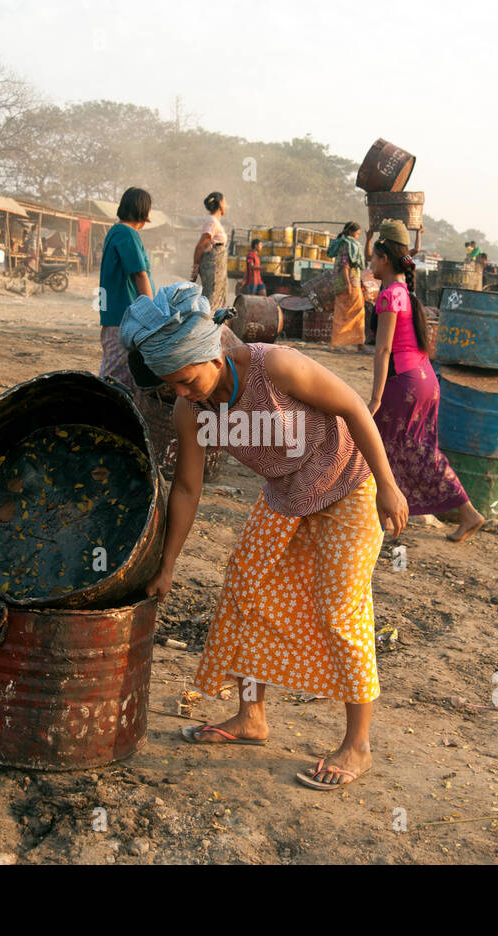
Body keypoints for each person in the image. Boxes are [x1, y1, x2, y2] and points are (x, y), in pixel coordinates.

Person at [123, 284, 409, 791]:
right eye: (174, 388)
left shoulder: (274, 367)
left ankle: (358, 745)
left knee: (341, 611)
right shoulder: (192, 412)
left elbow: (353, 408)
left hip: (347, 484)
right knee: (244, 590)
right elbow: (188, 488)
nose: (185, 394)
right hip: (286, 495)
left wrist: (387, 485)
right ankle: (250, 717)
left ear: (212, 354)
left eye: (188, 381)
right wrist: (166, 565)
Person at [367, 220, 485, 542]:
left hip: (404, 384)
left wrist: (375, 398)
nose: (371, 263)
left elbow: (383, 350)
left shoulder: (390, 295)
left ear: (386, 259)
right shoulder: (407, 292)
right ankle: (461, 513)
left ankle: (388, 519)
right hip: (426, 380)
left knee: (384, 446)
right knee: (413, 449)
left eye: (375, 258)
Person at [98, 186, 154, 395]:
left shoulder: (116, 232)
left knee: (117, 369)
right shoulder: (127, 234)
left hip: (116, 314)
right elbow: (140, 274)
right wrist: (152, 312)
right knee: (115, 374)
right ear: (143, 210)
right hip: (125, 315)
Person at [325, 221, 366, 346]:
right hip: (351, 284)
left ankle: (337, 343)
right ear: (350, 232)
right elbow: (345, 266)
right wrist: (348, 284)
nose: (358, 236)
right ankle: (359, 344)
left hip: (343, 284)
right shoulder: (348, 244)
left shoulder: (343, 243)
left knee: (341, 314)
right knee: (358, 313)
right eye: (357, 233)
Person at [191, 191, 229, 310]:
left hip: (217, 266)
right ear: (221, 204)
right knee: (211, 296)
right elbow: (200, 246)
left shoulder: (214, 221)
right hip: (212, 266)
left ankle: (215, 322)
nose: (226, 205)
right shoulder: (211, 221)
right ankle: (207, 323)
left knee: (216, 296)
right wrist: (196, 266)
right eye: (225, 202)